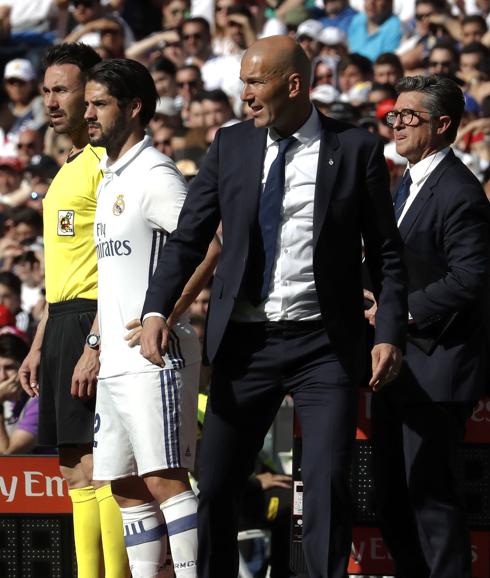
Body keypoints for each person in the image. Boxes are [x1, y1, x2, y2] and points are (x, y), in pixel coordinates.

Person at [140, 35, 407, 578]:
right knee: (214, 487)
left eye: (255, 83)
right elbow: (189, 238)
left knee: (328, 487)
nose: (244, 95)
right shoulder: (230, 144)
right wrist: (154, 311)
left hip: (323, 347)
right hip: (244, 344)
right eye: (241, 82)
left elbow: (385, 254)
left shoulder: (354, 149)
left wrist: (388, 334)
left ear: (293, 84)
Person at [84, 58, 220, 578]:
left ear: (134, 107)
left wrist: (164, 315)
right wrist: (95, 343)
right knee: (123, 483)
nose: (88, 113)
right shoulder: (109, 175)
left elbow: (209, 245)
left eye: (99, 104)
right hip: (115, 357)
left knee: (165, 477)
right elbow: (115, 277)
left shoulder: (155, 173)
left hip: (154, 356)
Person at [368, 75, 490, 578]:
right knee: (392, 499)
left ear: (443, 126)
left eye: (408, 117)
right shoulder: (408, 183)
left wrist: (400, 311)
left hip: (437, 370)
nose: (395, 125)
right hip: (401, 367)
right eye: (393, 116)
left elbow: (472, 277)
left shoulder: (459, 191)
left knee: (431, 502)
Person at [18, 43, 129, 578]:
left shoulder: (108, 164)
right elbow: (67, 267)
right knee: (72, 467)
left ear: (92, 92)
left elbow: (115, 262)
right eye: (46, 91)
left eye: (62, 89)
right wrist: (40, 343)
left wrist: (95, 340)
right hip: (62, 318)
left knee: (99, 463)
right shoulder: (70, 166)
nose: (52, 101)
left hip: (94, 319)